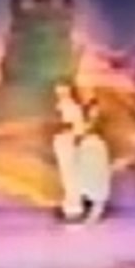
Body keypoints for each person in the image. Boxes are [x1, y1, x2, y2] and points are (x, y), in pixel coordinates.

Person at [77, 88, 112, 222]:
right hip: (87, 148)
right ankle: (90, 209)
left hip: (96, 147)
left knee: (98, 179)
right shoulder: (83, 118)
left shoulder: (101, 121)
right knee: (87, 178)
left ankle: (96, 210)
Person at [52, 80, 86, 221]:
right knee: (67, 177)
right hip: (63, 143)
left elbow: (78, 129)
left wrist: (63, 128)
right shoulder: (61, 106)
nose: (60, 94)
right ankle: (69, 206)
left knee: (70, 177)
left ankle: (74, 209)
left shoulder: (71, 107)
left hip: (68, 143)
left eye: (63, 91)